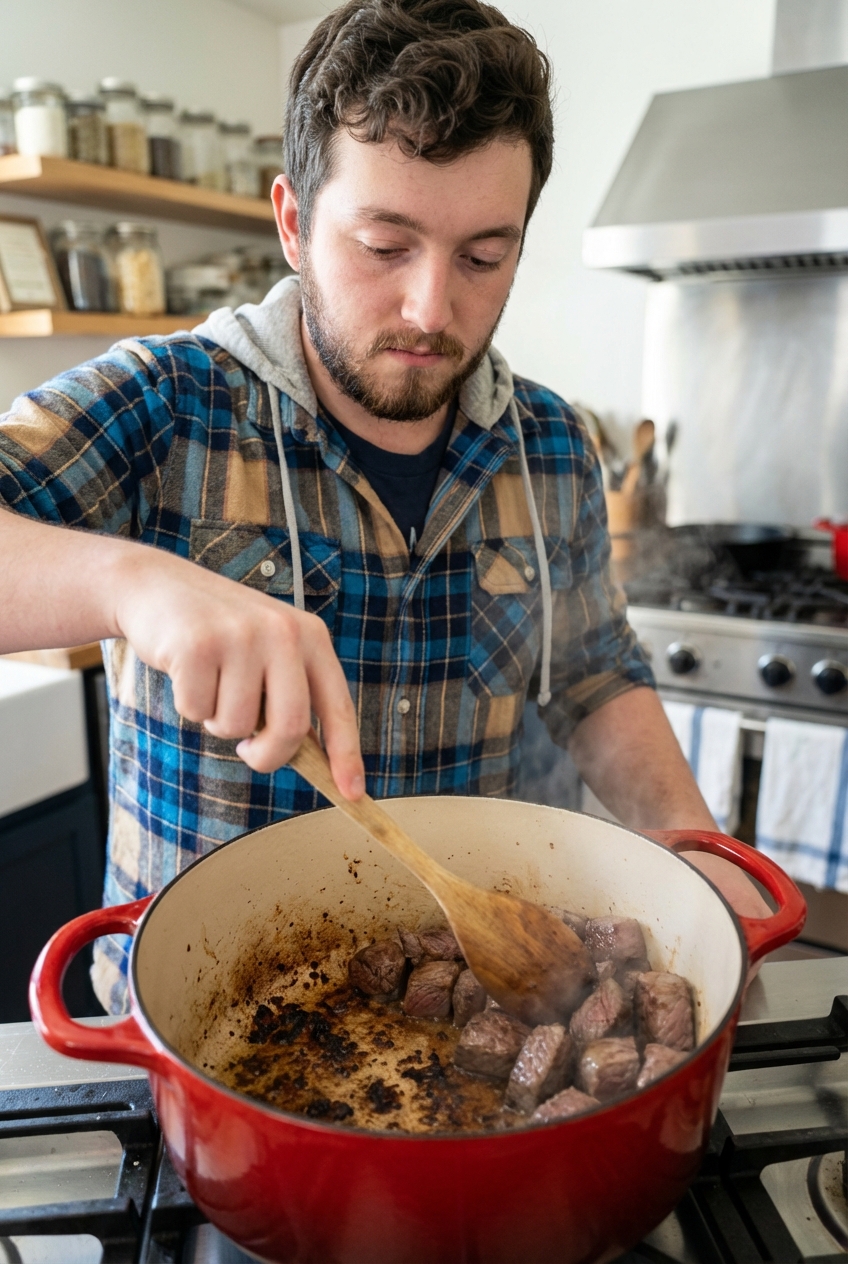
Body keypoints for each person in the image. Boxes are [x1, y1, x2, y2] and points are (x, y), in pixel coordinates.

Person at [0, 0, 767, 1012]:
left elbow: (587, 675)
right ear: (291, 223)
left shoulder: (548, 444)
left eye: (483, 257)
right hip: (198, 1022)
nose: (429, 309)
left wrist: (689, 851)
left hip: (464, 1011)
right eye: (383, 246)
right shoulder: (165, 402)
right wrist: (131, 581)